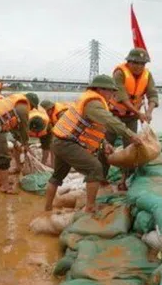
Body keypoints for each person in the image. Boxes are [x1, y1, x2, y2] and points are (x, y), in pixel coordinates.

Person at [44, 75, 143, 213]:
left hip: (60, 141)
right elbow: (109, 121)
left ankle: (47, 208)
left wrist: (105, 143)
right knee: (95, 168)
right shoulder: (93, 103)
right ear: (100, 90)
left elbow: (92, 130)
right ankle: (90, 207)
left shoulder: (89, 100)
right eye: (111, 91)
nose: (113, 95)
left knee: (57, 176)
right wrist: (130, 134)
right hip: (67, 144)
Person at [107, 47, 159, 190]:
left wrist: (149, 111)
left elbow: (152, 94)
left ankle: (125, 180)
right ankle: (101, 178)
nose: (138, 66)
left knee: (131, 147)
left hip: (131, 118)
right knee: (106, 146)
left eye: (142, 64)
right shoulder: (119, 73)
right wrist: (139, 113)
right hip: (113, 116)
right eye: (135, 63)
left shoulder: (147, 76)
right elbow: (122, 97)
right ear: (128, 62)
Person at [0, 92, 38, 194]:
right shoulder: (23, 108)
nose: (31, 110)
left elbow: (13, 127)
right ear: (31, 103)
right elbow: (24, 128)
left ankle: (0, 181)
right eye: (32, 108)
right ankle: (5, 187)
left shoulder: (14, 104)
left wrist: (18, 141)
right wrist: (26, 144)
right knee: (3, 157)